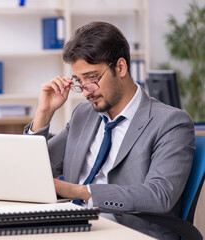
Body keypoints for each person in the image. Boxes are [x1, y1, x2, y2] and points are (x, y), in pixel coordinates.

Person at [24, 21, 195, 240]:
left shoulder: (171, 122)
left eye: (92, 78)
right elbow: (35, 170)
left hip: (131, 233)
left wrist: (78, 191)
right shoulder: (83, 115)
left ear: (121, 67)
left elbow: (159, 195)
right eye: (79, 81)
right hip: (74, 225)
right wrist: (44, 114)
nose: (86, 92)